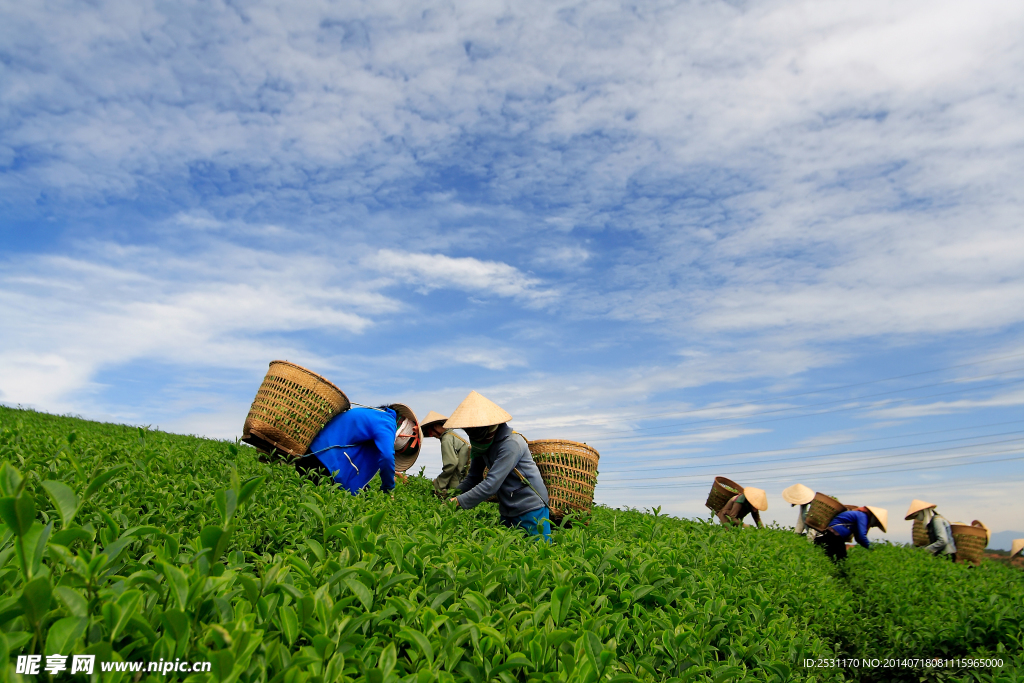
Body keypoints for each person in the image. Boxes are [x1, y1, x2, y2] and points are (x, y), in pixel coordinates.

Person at [443, 391, 552, 542]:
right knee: (510, 554)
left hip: (531, 507)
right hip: (507, 508)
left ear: (487, 426)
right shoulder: (481, 446)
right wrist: (451, 494)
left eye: (474, 429)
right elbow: (473, 478)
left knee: (538, 552)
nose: (470, 433)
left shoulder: (511, 444)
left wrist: (458, 502)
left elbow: (491, 484)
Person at [302, 404, 420, 495]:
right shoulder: (387, 422)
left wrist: (366, 490)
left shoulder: (375, 415)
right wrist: (388, 489)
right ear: (406, 434)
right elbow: (387, 456)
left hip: (311, 458)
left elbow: (359, 457)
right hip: (324, 465)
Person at [420, 410, 471, 497]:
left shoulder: (446, 438)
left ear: (435, 426)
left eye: (430, 432)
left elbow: (451, 464)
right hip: (467, 482)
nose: (433, 436)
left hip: (458, 484)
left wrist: (439, 485)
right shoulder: (453, 435)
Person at [815, 505, 888, 562]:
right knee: (841, 559)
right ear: (874, 518)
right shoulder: (863, 516)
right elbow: (862, 536)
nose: (873, 525)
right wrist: (872, 549)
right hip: (835, 535)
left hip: (834, 536)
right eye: (876, 523)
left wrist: (869, 547)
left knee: (834, 557)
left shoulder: (860, 516)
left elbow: (858, 538)